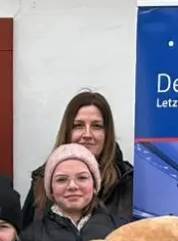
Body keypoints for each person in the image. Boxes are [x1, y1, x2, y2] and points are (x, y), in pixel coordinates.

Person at [20, 91, 135, 228]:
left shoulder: (127, 182)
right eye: (78, 126)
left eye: (96, 126)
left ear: (107, 133)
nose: (87, 134)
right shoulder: (42, 180)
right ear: (67, 131)